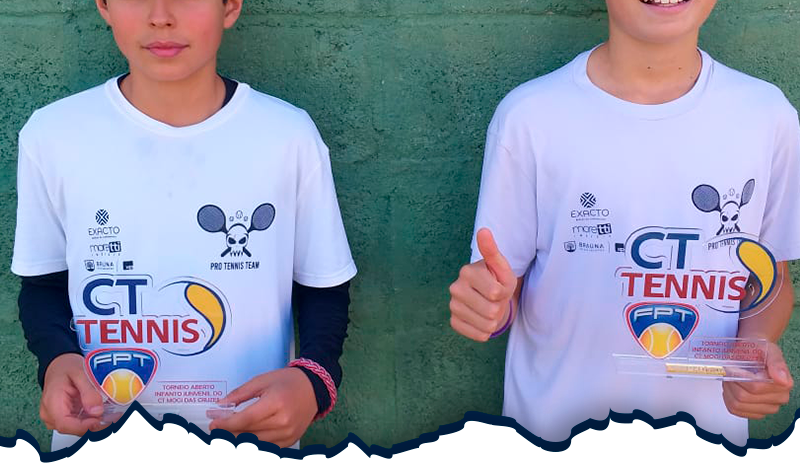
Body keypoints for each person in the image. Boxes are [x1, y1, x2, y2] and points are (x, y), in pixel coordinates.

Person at [448, 0, 799, 446]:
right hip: (555, 438)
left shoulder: (766, 117)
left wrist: (753, 349)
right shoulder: (531, 117)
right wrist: (489, 309)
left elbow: (771, 278)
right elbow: (500, 289)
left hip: (706, 442)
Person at [11, 0, 356, 451]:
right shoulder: (53, 135)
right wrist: (56, 360)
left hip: (245, 444)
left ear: (230, 7)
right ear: (104, 6)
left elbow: (323, 286)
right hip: (101, 443)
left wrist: (314, 381)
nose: (161, 15)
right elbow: (43, 284)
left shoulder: (287, 136)